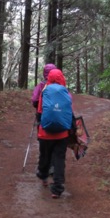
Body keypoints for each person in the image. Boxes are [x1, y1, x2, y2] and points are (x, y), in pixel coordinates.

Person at [35, 68, 75, 199]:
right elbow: (69, 112)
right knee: (59, 160)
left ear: (49, 78)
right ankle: (57, 189)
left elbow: (40, 111)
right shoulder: (66, 93)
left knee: (44, 156)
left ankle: (43, 176)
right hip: (62, 134)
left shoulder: (45, 91)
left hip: (45, 133)